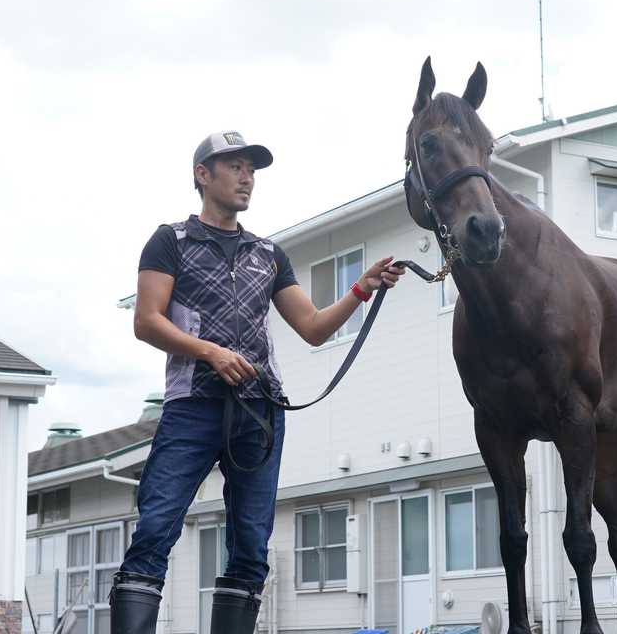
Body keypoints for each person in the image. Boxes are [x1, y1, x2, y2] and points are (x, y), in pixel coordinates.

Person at [110, 131, 405, 634]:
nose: (247, 177)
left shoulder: (268, 253)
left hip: (259, 412)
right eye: (234, 166)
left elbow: (312, 328)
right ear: (203, 175)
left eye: (251, 168)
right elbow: (146, 321)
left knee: (251, 544)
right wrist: (209, 352)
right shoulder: (171, 241)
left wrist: (361, 289)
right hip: (192, 407)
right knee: (156, 528)